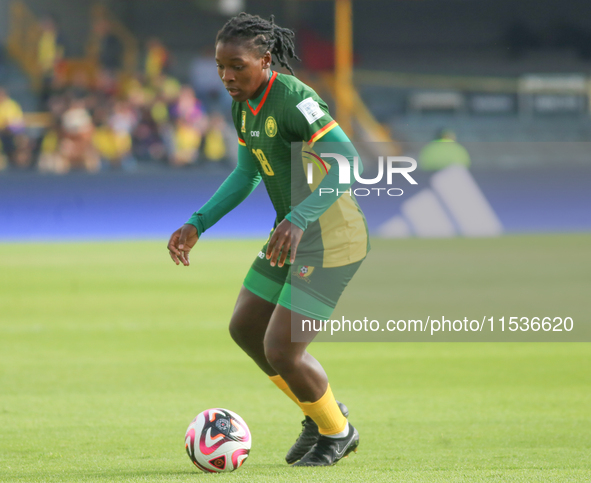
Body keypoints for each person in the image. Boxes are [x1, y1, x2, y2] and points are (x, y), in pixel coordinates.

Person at [167, 13, 369, 467]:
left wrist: (298, 218)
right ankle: (319, 414)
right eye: (221, 66)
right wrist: (198, 222)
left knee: (282, 347)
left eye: (237, 65)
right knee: (245, 328)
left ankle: (337, 432)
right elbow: (246, 172)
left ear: (265, 59)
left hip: (332, 235)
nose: (227, 76)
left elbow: (349, 162)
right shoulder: (243, 105)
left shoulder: (295, 99)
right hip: (291, 233)